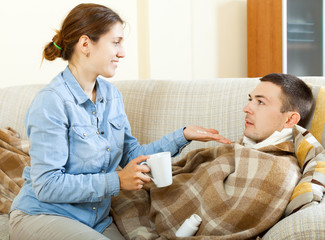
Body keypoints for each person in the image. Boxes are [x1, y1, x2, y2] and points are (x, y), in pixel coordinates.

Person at [8, 3, 231, 240]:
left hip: (96, 220)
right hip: (44, 216)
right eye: (115, 42)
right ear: (85, 44)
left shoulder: (111, 96)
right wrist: (116, 181)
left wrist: (183, 135)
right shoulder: (51, 102)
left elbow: (132, 155)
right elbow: (47, 185)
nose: (122, 52)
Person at [110, 73, 315, 239]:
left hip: (137, 211)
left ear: (290, 120)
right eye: (250, 99)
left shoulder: (277, 169)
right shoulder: (242, 149)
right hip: (127, 197)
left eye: (260, 102)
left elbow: (220, 223)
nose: (247, 108)